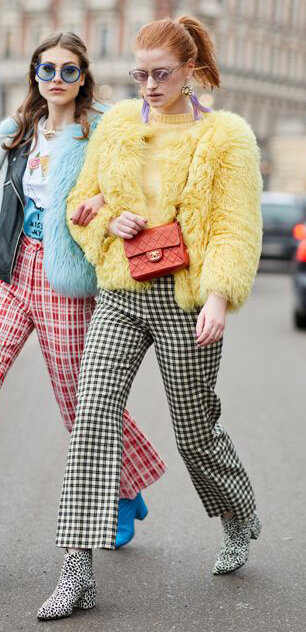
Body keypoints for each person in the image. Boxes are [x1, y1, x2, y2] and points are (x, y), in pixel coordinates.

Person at [38, 15, 263, 621]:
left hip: (186, 300)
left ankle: (238, 512)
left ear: (191, 69)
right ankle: (77, 570)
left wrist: (218, 296)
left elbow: (234, 226)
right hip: (120, 293)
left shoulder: (226, 138)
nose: (148, 85)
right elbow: (80, 211)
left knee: (194, 430)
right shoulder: (113, 130)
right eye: (139, 74)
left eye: (160, 74)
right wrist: (107, 222)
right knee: (91, 417)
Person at [0, 32, 167, 553]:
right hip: (12, 268)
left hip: (66, 274)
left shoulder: (101, 129)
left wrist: (101, 199)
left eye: (68, 70)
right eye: (47, 69)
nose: (56, 79)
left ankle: (122, 491)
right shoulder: (15, 132)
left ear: (82, 76)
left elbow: (140, 173)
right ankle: (127, 484)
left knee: (80, 400)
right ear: (34, 74)